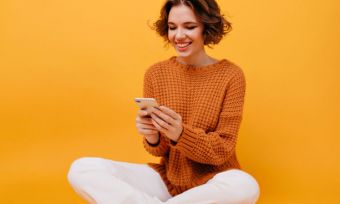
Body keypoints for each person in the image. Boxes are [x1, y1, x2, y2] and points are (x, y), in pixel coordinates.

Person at [67, 0, 260, 203]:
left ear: (207, 27)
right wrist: (152, 137)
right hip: (167, 179)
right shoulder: (156, 74)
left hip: (213, 181)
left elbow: (222, 149)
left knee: (246, 186)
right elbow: (159, 151)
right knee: (83, 168)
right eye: (172, 27)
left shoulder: (231, 75)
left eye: (190, 27)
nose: (178, 36)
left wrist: (180, 133)